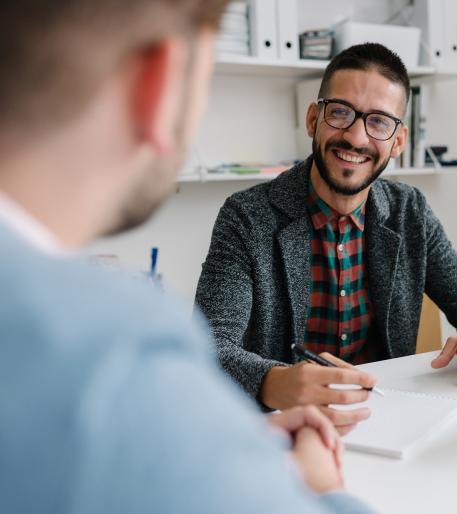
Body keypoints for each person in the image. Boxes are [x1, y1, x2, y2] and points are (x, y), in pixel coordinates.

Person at [0, 2, 373, 513]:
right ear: (158, 84)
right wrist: (322, 485)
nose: (356, 136)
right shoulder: (116, 353)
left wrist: (225, 441)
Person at [195, 43, 457, 434]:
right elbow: (207, 348)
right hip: (285, 430)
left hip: (386, 421)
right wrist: (277, 381)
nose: (355, 137)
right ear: (313, 119)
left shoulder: (410, 211)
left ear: (398, 141)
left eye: (378, 122)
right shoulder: (247, 217)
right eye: (340, 112)